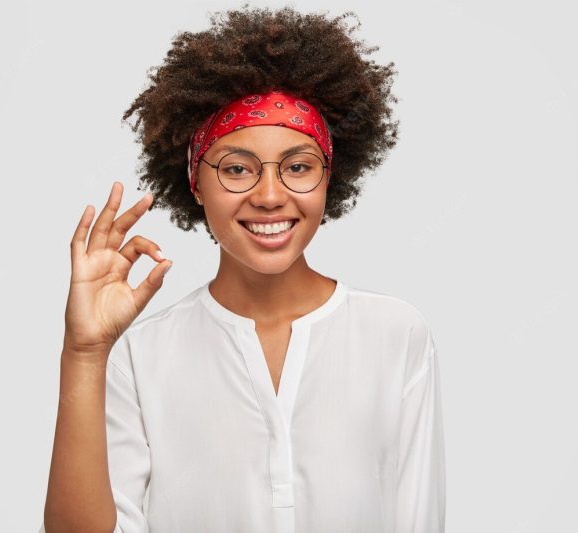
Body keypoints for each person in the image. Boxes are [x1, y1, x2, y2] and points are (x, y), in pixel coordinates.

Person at [42, 6, 445, 533]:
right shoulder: (142, 359)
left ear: (330, 177)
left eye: (298, 166)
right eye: (236, 169)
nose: (271, 195)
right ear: (195, 182)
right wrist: (85, 352)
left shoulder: (396, 336)